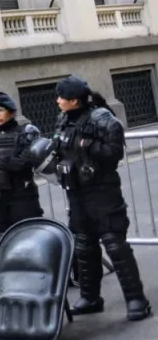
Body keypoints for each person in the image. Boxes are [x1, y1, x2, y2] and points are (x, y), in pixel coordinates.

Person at [52, 75, 151, 321]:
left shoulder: (102, 119)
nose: (58, 101)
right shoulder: (64, 119)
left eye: (61, 97)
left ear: (74, 100)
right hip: (76, 191)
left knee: (115, 244)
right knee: (84, 246)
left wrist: (90, 147)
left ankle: (136, 299)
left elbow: (114, 153)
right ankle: (90, 298)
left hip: (102, 191)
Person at [0, 92, 43, 237]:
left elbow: (23, 163)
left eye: (0, 110)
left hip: (22, 197)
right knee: (2, 239)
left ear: (11, 112)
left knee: (28, 238)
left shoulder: (25, 132)